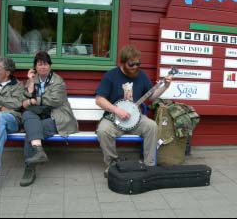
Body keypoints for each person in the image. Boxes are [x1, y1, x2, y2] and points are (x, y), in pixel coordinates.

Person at [95, 45, 173, 177]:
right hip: (114, 118)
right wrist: (116, 110)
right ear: (123, 62)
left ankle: (149, 165)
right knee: (103, 131)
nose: (135, 67)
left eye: (138, 64)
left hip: (136, 119)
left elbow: (152, 96)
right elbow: (99, 99)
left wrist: (165, 86)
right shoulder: (111, 76)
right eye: (132, 64)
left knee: (151, 126)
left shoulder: (142, 76)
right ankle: (112, 164)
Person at [20, 51, 78, 186]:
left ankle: (29, 169)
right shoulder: (33, 80)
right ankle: (39, 151)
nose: (43, 67)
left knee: (30, 132)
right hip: (38, 116)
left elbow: (54, 100)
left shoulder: (58, 81)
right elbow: (23, 100)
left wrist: (33, 101)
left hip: (57, 117)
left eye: (45, 64)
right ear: (35, 67)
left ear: (50, 66)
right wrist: (29, 82)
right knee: (27, 115)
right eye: (39, 64)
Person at [0, 57, 24, 174]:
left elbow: (17, 104)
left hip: (12, 121)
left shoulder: (18, 85)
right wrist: (0, 107)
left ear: (7, 72)